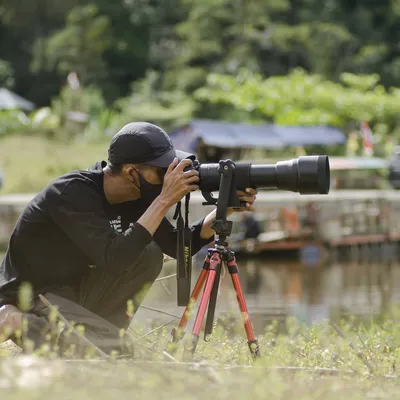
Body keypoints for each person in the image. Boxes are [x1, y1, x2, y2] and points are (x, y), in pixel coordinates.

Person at [0, 122, 257, 354]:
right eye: (161, 170)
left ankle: (101, 333)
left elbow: (180, 246)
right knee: (114, 351)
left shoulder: (136, 197)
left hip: (74, 294)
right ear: (132, 173)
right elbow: (115, 258)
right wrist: (164, 199)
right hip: (33, 296)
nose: (168, 177)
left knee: (148, 255)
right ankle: (17, 322)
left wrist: (223, 210)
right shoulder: (72, 193)